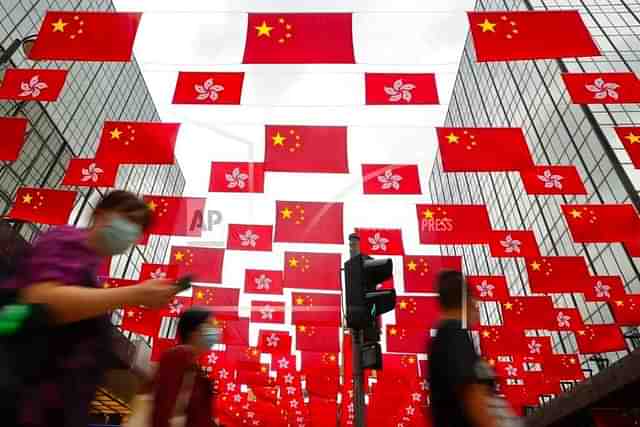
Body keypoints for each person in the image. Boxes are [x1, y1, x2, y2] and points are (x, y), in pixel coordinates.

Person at [11, 190, 181, 427]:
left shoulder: (92, 271)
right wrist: (135, 294)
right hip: (22, 398)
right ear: (100, 214)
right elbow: (41, 300)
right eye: (129, 219)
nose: (132, 232)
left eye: (138, 230)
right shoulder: (66, 239)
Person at [428, 270, 498, 427]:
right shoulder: (453, 334)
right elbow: (473, 396)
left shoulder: (445, 335)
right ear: (466, 300)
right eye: (474, 299)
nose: (476, 304)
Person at [151, 308, 217, 427]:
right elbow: (166, 406)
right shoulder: (178, 356)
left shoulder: (193, 363)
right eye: (210, 325)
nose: (215, 331)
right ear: (194, 330)